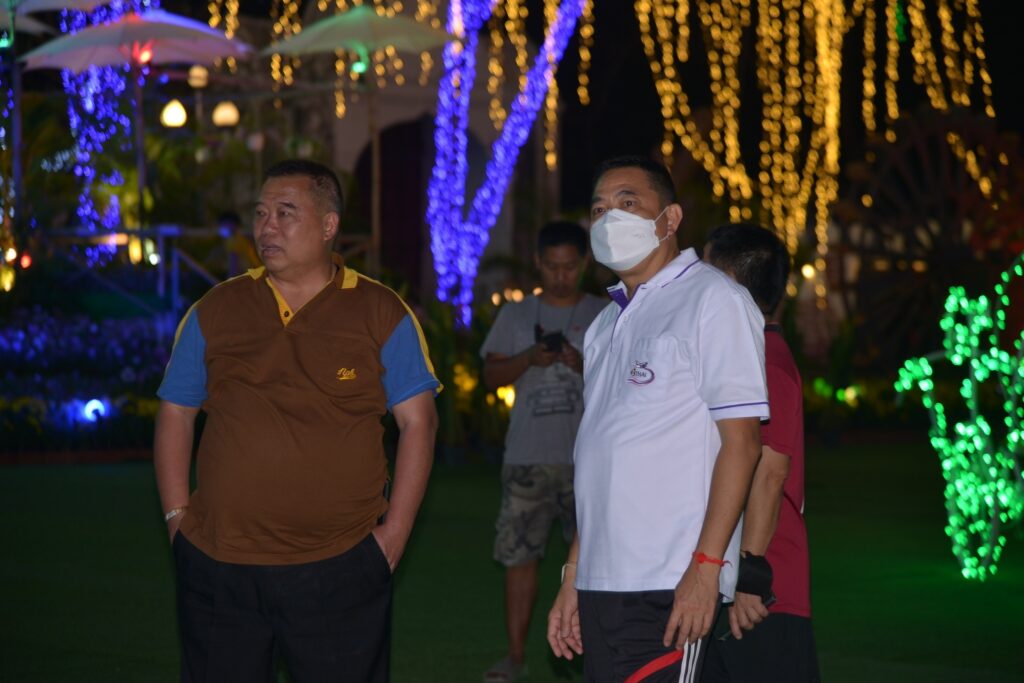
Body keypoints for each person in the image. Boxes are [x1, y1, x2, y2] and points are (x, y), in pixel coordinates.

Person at [154, 159, 440, 682]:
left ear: (329, 225)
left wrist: (394, 536)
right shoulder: (217, 307)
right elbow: (176, 410)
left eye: (286, 212)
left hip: (340, 563)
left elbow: (419, 422)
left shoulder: (380, 311)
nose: (267, 226)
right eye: (260, 213)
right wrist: (177, 520)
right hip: (220, 564)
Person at [546, 156, 768, 683]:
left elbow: (743, 444)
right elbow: (601, 463)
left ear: (670, 219)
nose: (609, 219)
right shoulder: (604, 325)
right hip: (603, 581)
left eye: (628, 203)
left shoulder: (713, 300)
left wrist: (706, 569)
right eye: (598, 209)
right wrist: (573, 575)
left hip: (669, 579)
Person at [480, 221, 607, 682]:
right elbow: (490, 376)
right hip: (527, 457)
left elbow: (625, 383)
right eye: (552, 267)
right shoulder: (517, 315)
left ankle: (597, 657)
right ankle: (515, 656)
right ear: (538, 263)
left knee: (596, 563)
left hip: (589, 461)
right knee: (520, 558)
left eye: (569, 267)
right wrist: (529, 358)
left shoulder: (603, 313)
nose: (560, 276)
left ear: (584, 263)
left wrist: (582, 363)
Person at [701, 223, 820, 683]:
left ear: (729, 282)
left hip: (762, 591)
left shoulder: (765, 361)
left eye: (706, 273)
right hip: (738, 580)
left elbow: (770, 473)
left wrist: (749, 576)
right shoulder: (752, 353)